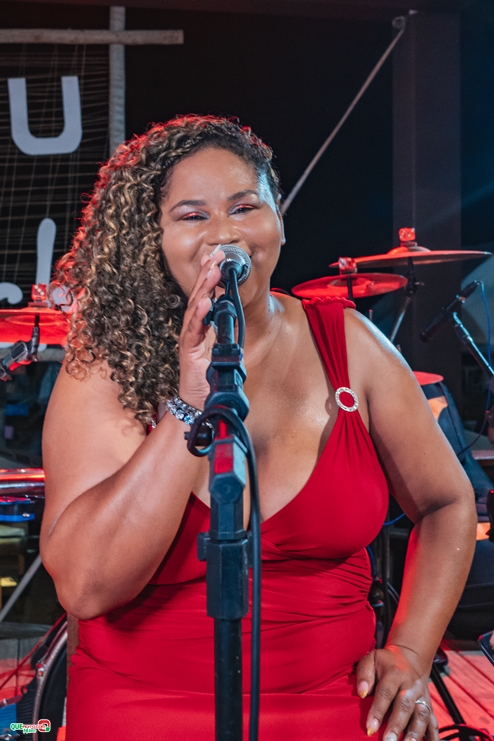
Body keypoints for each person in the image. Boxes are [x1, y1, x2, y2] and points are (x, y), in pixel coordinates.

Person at [41, 115, 477, 741]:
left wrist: (410, 650)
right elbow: (86, 589)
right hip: (145, 707)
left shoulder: (348, 343)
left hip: (334, 702)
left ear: (278, 218)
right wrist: (190, 402)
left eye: (245, 207)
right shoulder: (111, 364)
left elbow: (448, 502)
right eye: (192, 215)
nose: (225, 233)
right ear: (153, 239)